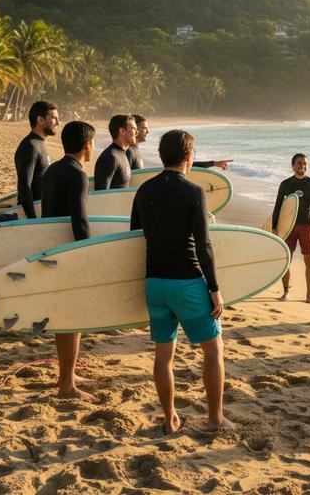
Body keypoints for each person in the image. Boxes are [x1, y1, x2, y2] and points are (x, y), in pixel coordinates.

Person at [130, 129, 233, 434]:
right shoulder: (193, 192)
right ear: (189, 156)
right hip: (187, 283)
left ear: (162, 156)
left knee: (164, 356)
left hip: (155, 284)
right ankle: (215, 418)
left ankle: (170, 418)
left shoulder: (144, 191)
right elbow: (204, 245)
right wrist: (214, 289)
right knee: (213, 350)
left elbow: (135, 238)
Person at [40, 120, 96, 400]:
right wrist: (88, 254)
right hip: (69, 254)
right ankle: (66, 386)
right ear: (87, 144)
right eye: (93, 143)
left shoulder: (53, 170)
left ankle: (69, 374)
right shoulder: (78, 175)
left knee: (68, 317)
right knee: (71, 318)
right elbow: (80, 220)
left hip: (53, 251)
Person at [272, 153, 310, 303]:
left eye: (305, 164)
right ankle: (286, 291)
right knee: (286, 259)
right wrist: (275, 227)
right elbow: (278, 206)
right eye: (299, 163)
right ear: (293, 166)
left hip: (306, 226)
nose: (302, 166)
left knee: (309, 259)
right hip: (288, 227)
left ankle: (309, 295)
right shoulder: (286, 184)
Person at [127, 114, 231, 171]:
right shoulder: (128, 152)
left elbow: (178, 163)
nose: (148, 131)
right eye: (144, 128)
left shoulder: (134, 150)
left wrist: (213, 163)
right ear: (135, 128)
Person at [15, 101, 58, 218]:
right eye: (54, 118)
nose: (58, 122)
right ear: (40, 120)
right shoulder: (30, 146)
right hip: (34, 212)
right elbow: (24, 186)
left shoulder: (39, 144)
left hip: (41, 208)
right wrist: (32, 220)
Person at [94, 114, 138, 190]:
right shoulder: (110, 158)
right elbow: (101, 195)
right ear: (122, 131)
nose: (137, 132)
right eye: (134, 129)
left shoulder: (122, 154)